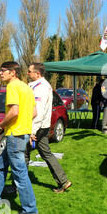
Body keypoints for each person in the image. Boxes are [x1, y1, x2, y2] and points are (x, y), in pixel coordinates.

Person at [0, 61, 38, 214]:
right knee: (0, 166)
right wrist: (23, 125)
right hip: (22, 133)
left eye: (3, 71)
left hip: (15, 136)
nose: (0, 73)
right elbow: (33, 112)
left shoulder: (12, 87)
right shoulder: (27, 87)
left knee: (19, 174)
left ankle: (30, 210)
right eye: (0, 70)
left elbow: (14, 111)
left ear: (13, 73)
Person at [26, 63, 72, 193]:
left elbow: (38, 112)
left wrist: (32, 131)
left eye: (29, 71)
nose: (27, 73)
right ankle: (63, 181)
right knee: (46, 154)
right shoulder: (39, 85)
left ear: (37, 74)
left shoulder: (41, 88)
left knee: (23, 154)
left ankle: (18, 186)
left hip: (38, 127)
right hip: (43, 127)